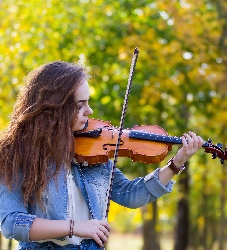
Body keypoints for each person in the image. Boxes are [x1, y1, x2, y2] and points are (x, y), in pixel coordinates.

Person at [0, 61, 204, 250]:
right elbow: (11, 222)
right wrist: (74, 227)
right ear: (55, 108)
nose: (89, 111)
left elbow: (131, 194)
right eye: (80, 105)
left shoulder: (93, 151)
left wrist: (176, 163)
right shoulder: (16, 155)